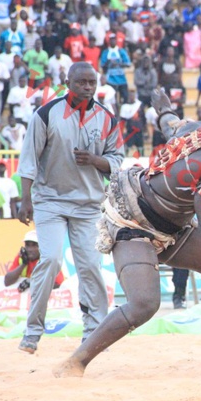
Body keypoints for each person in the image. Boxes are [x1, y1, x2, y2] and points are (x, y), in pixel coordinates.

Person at [53, 87, 201, 378]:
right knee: (144, 304)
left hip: (172, 225)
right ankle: (75, 362)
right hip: (132, 223)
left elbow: (169, 123)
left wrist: (163, 107)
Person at [17, 62, 125, 355]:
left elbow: (117, 160)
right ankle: (32, 331)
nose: (88, 87)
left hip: (89, 204)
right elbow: (28, 158)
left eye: (92, 82)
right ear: (68, 82)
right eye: (82, 82)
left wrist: (95, 160)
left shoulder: (107, 118)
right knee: (49, 259)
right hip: (50, 201)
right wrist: (25, 199)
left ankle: (94, 332)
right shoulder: (46, 113)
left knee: (90, 267)